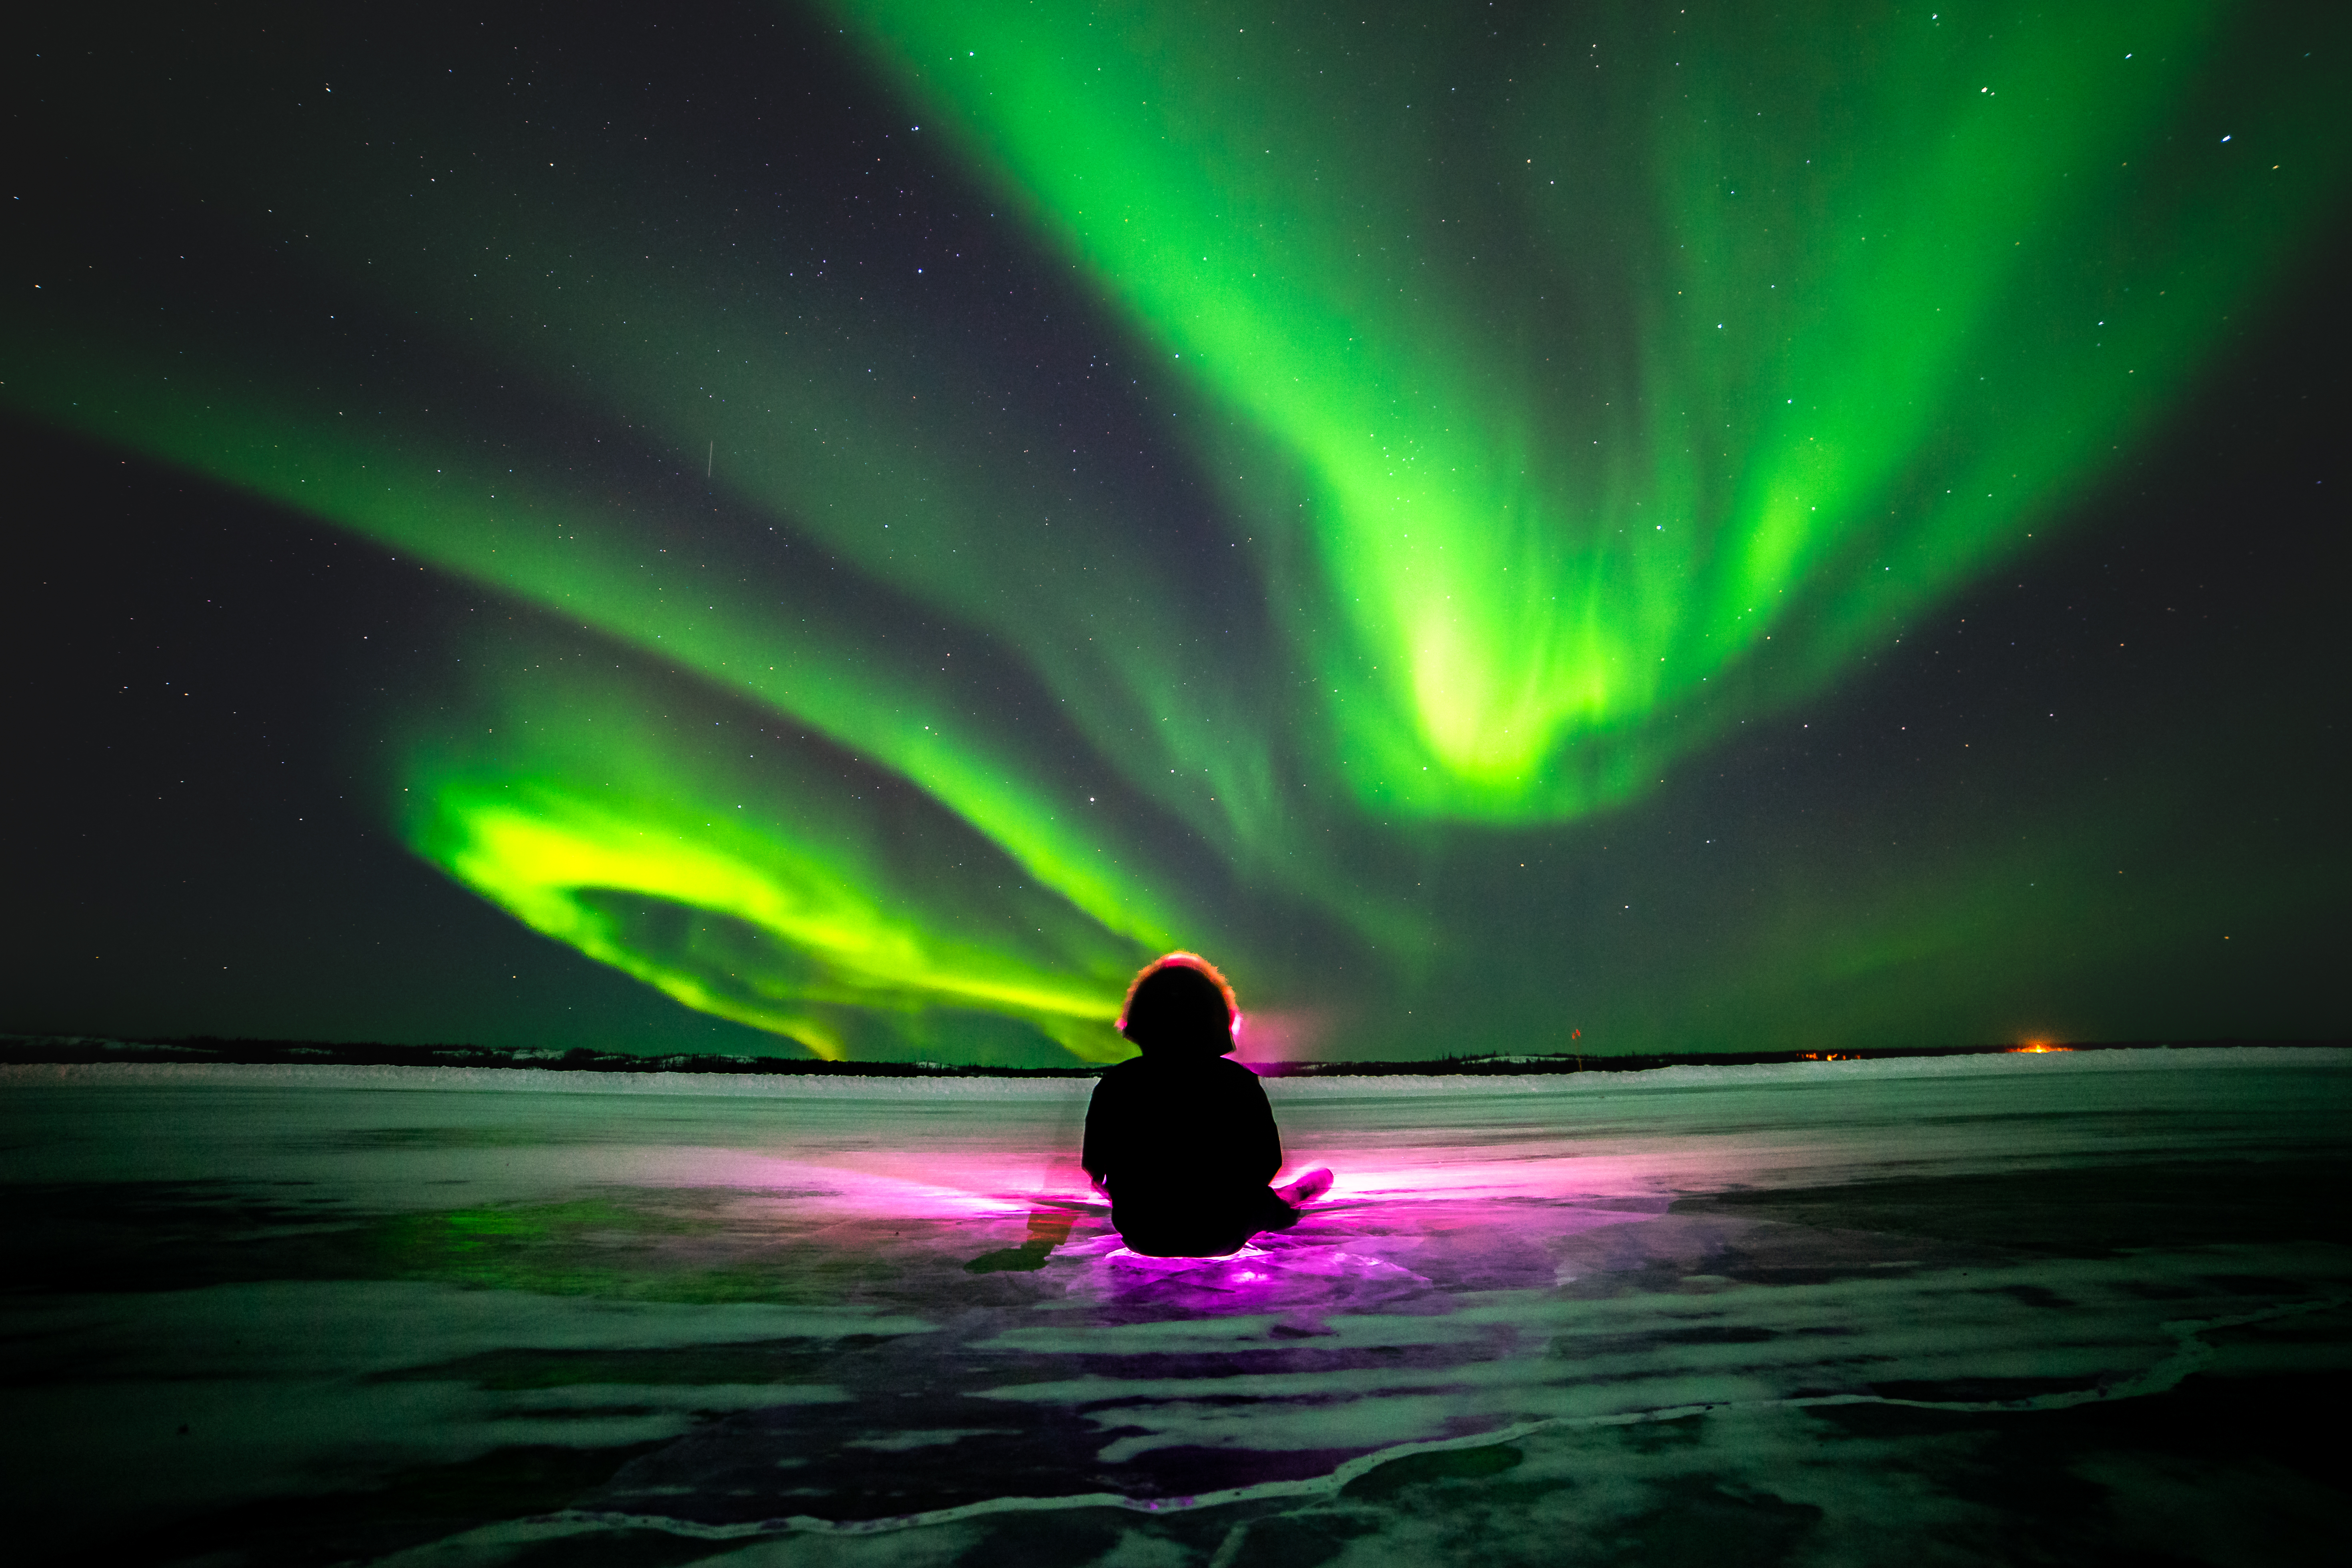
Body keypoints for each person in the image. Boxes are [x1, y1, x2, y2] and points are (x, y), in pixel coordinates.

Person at [1081, 953, 1331, 1257]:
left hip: (1143, 1236)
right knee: (1266, 1208)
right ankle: (1289, 1203)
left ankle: (1280, 1203)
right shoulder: (1238, 1082)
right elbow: (1267, 1162)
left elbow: (1094, 1168)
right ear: (1215, 1019)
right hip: (1223, 1233)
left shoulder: (1116, 1084)